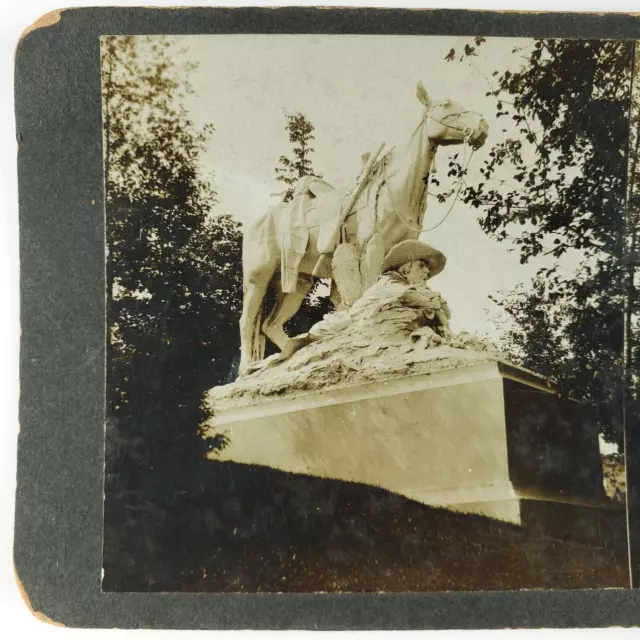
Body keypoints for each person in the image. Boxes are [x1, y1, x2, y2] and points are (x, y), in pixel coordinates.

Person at [275, 239, 451, 362]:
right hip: (344, 324)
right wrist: (432, 302)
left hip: (362, 327)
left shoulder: (411, 288)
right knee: (307, 342)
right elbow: (408, 296)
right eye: (421, 266)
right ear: (405, 269)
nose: (426, 272)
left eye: (427, 270)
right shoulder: (389, 281)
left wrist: (435, 302)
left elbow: (445, 312)